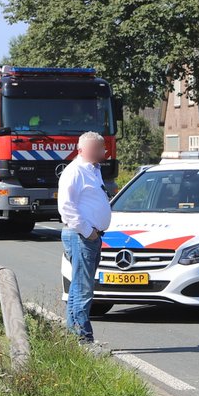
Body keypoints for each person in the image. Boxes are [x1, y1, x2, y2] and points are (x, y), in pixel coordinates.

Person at [58, 130, 112, 346]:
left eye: (102, 147)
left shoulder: (94, 169)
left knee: (79, 286)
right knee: (83, 287)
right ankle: (83, 337)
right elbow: (66, 207)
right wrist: (87, 232)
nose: (103, 151)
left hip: (90, 235)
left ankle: (74, 335)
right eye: (98, 148)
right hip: (81, 236)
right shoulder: (75, 171)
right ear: (82, 150)